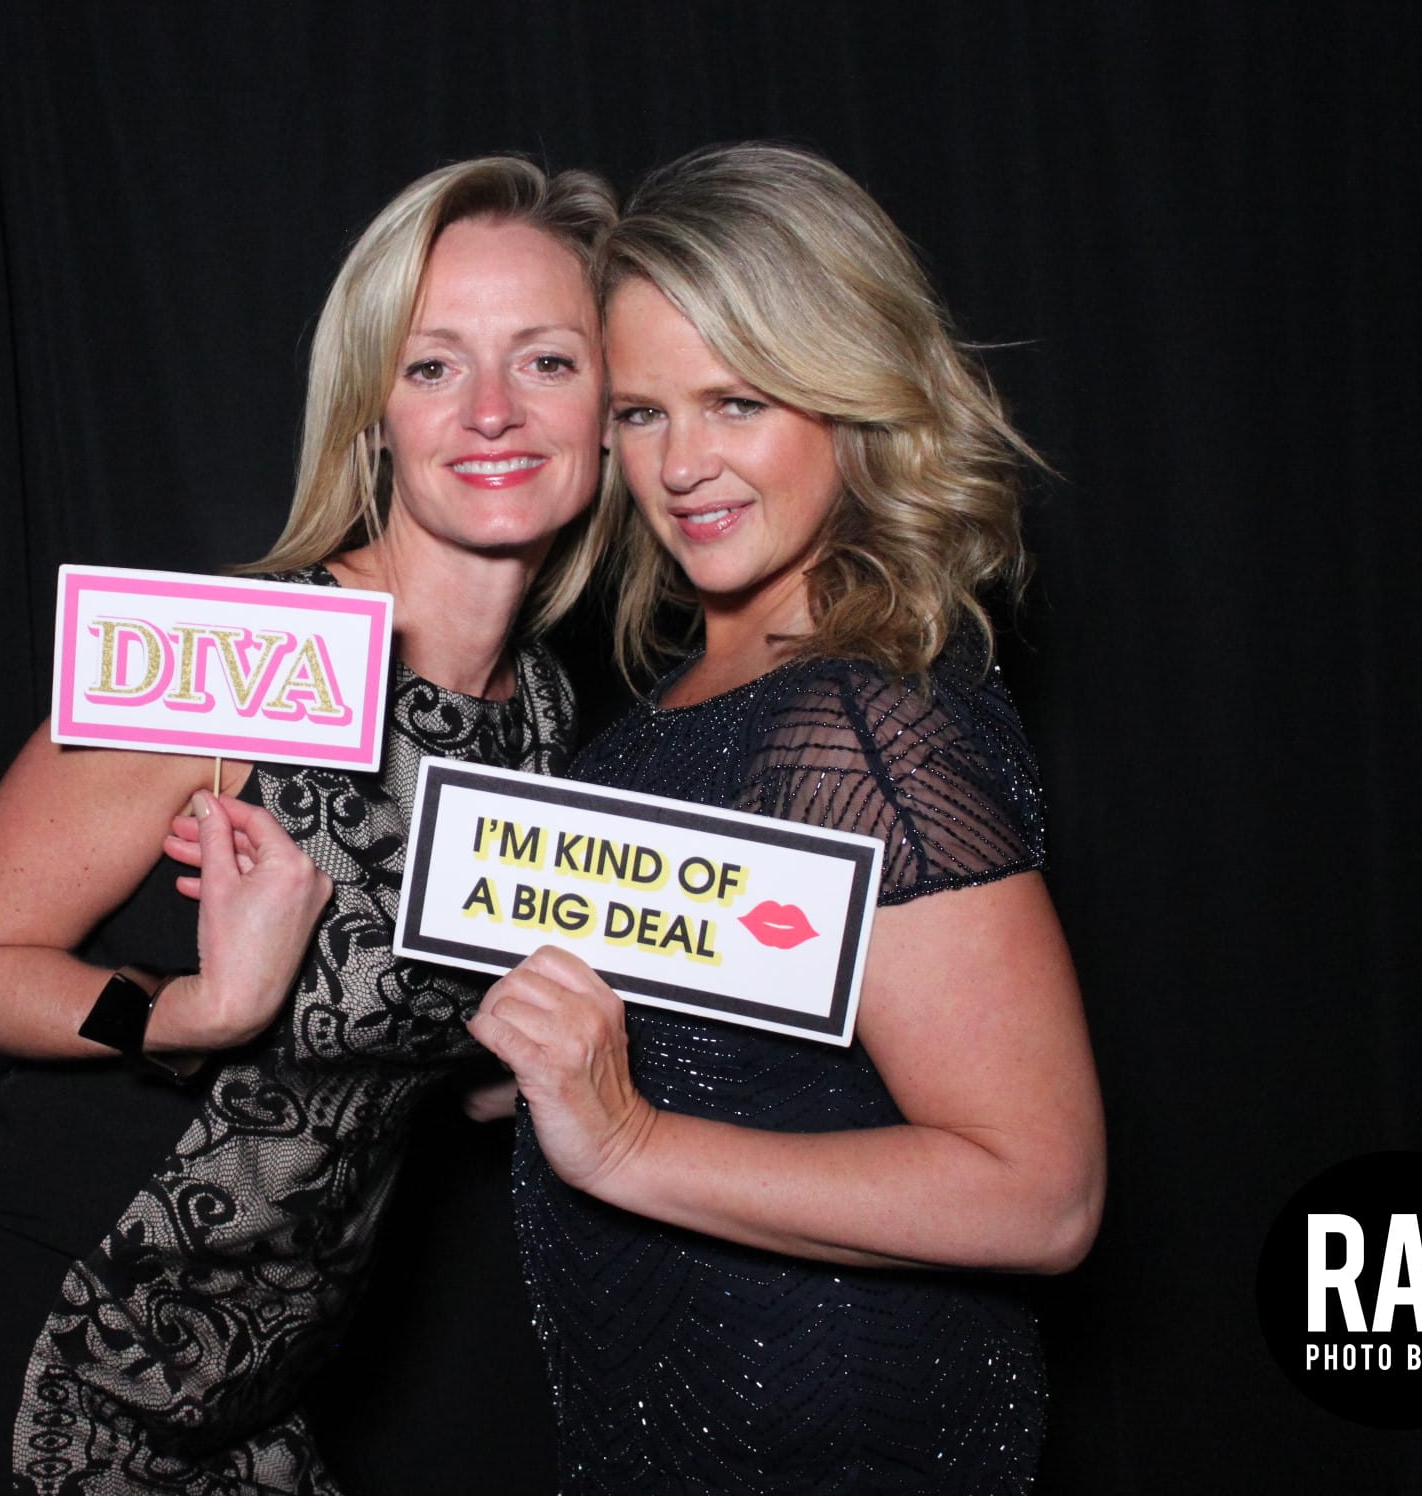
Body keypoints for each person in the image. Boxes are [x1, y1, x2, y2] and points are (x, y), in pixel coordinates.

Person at [0, 155, 622, 1495]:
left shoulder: (542, 714)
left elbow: (425, 1060)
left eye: (545, 361)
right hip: (18, 1352)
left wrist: (541, 1057)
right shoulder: (237, 658)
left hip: (232, 1403)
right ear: (372, 413)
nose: (491, 410)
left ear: (610, 407)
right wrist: (188, 1011)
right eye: (432, 366)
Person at [467, 143, 1106, 1493]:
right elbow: (754, 1057)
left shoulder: (861, 723)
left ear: (850, 399)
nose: (682, 465)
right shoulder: (669, 716)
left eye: (737, 401)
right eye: (642, 412)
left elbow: (1041, 1191)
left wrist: (628, 1138)